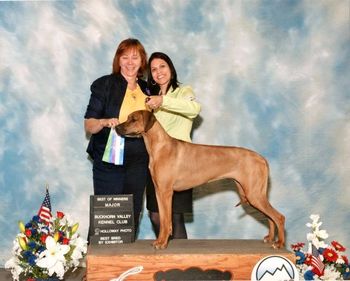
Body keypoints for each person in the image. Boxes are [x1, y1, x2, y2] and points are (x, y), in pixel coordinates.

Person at [84, 38, 150, 236]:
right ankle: (97, 264)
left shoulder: (148, 89)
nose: (130, 62)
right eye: (125, 57)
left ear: (142, 61)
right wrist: (104, 122)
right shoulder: (104, 84)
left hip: (139, 160)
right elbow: (89, 125)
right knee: (106, 216)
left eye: (135, 57)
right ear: (118, 60)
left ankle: (125, 263)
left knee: (130, 216)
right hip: (108, 160)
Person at [145, 52, 201, 239]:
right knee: (155, 215)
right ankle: (168, 254)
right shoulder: (150, 99)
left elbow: (194, 110)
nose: (158, 72)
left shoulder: (184, 91)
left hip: (180, 161)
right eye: (153, 69)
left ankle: (182, 263)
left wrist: (164, 101)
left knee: (176, 217)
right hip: (156, 161)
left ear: (170, 68)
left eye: (162, 66)